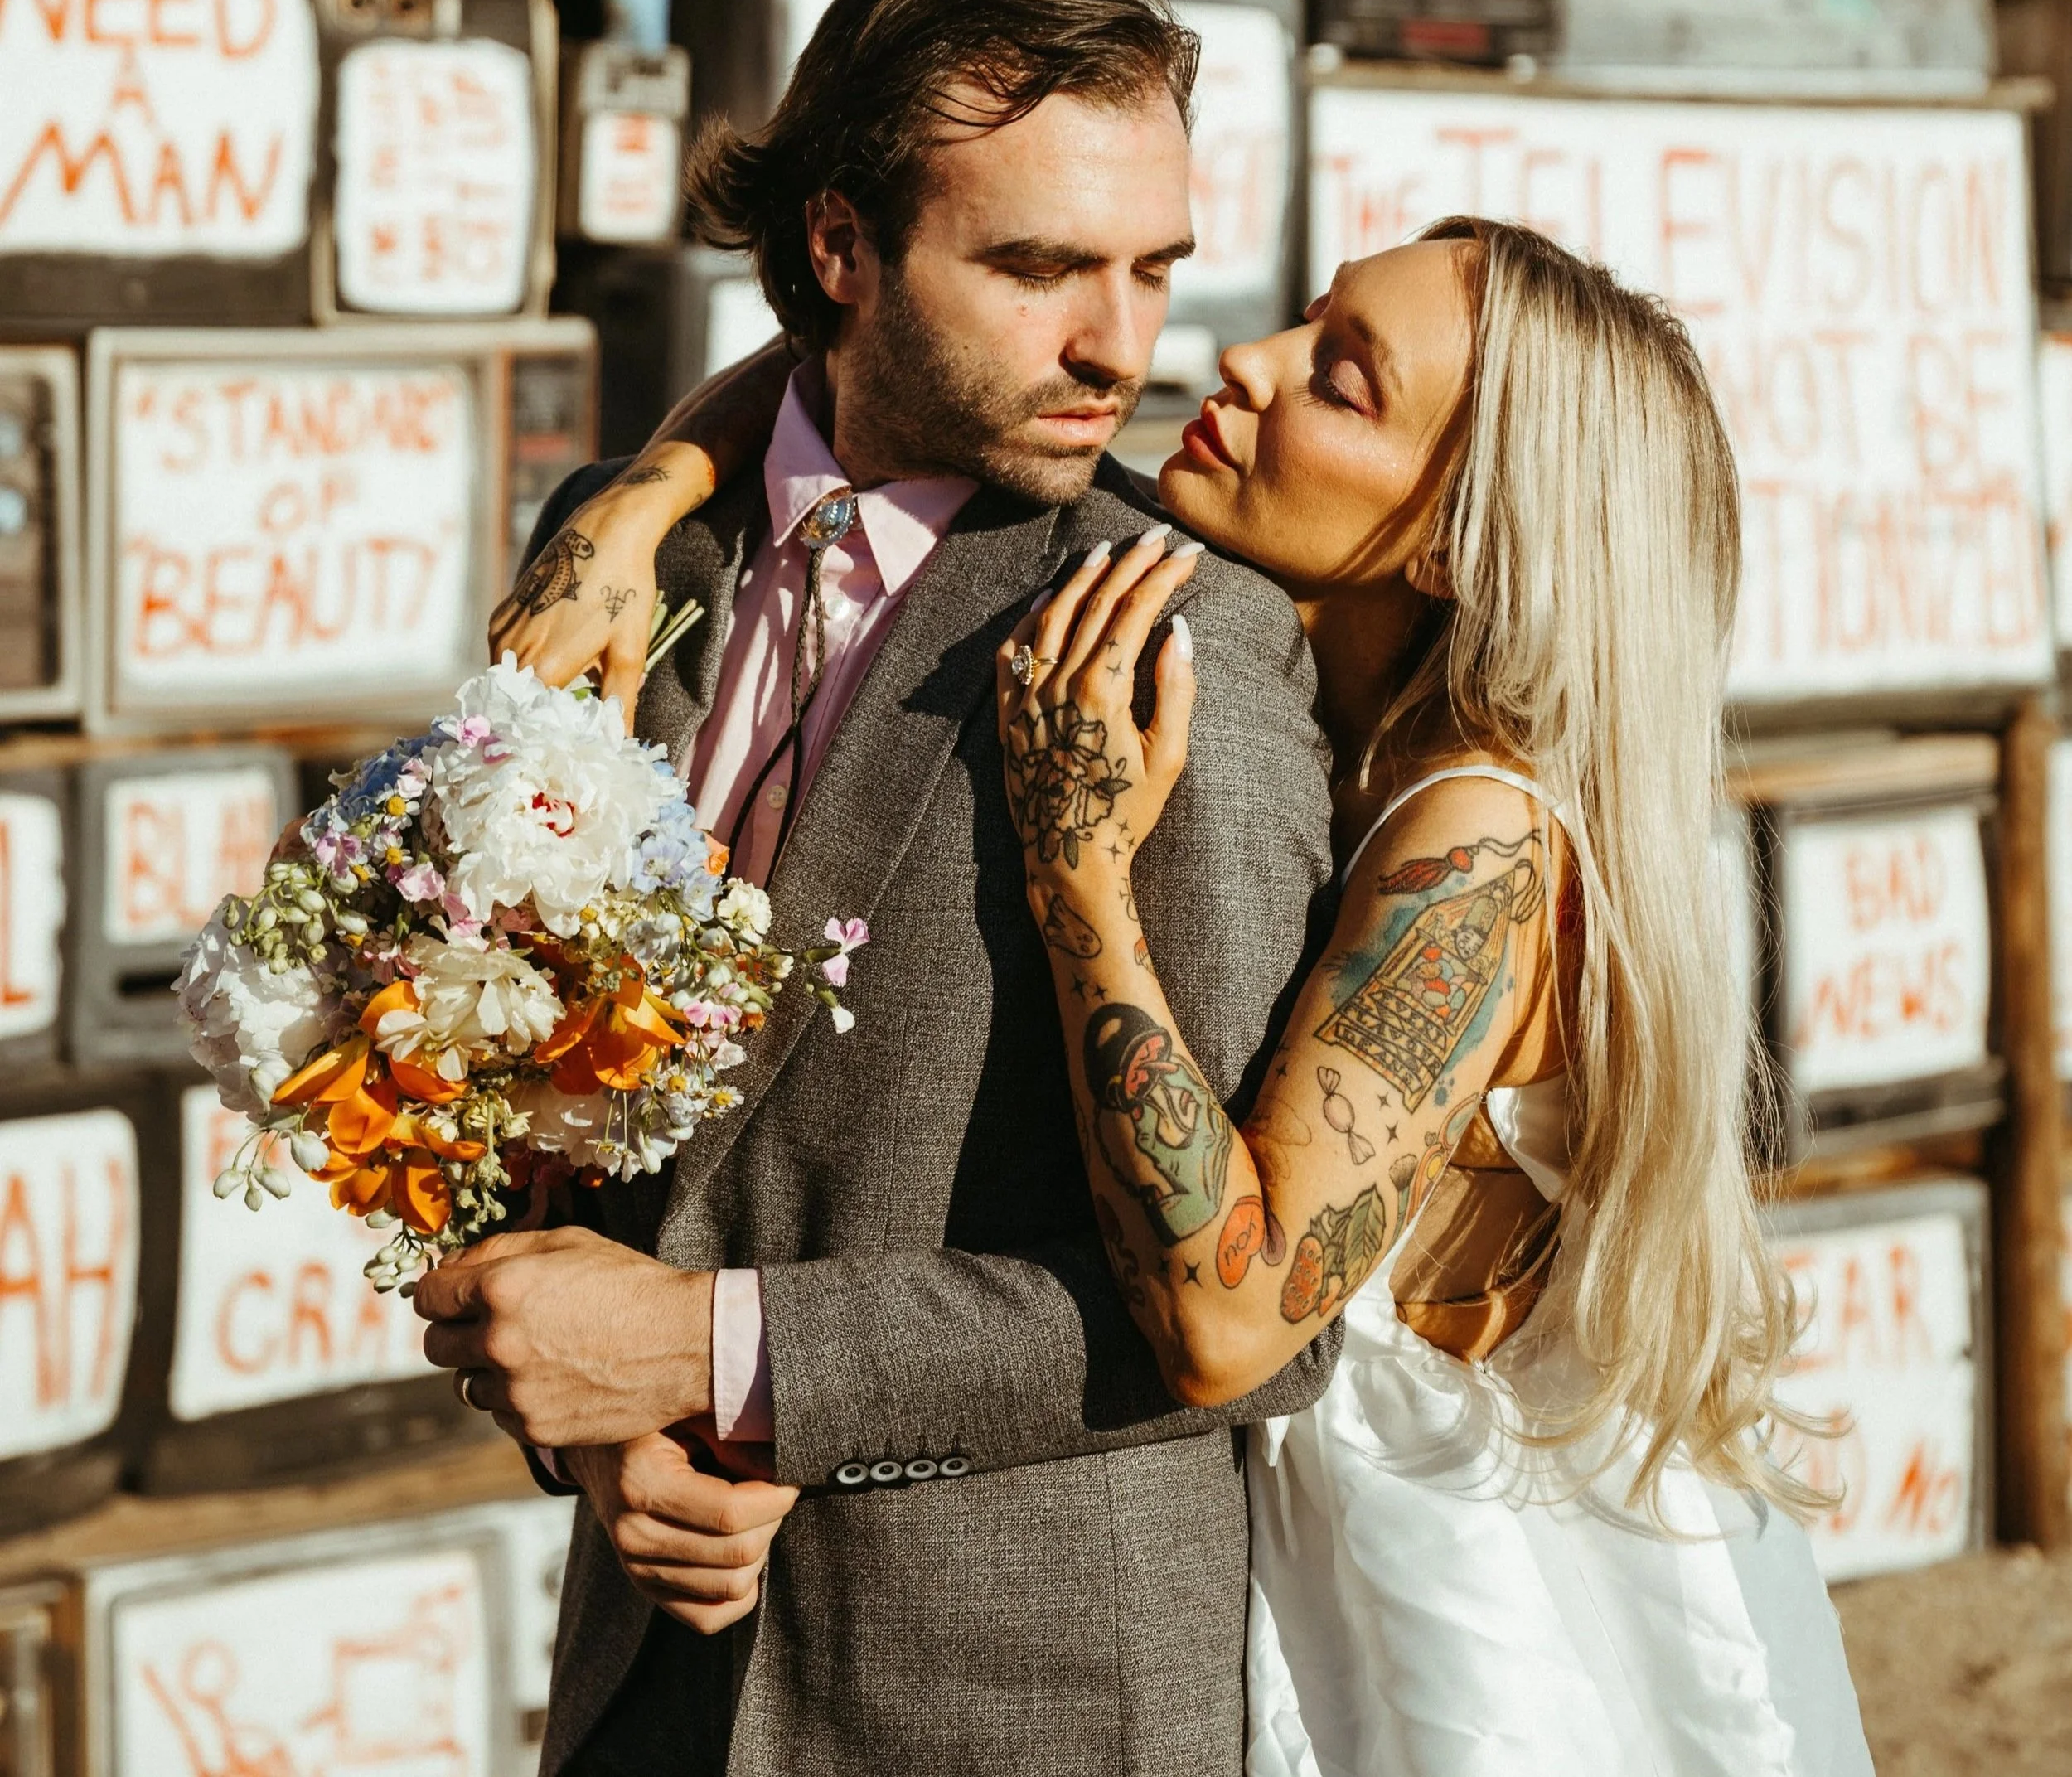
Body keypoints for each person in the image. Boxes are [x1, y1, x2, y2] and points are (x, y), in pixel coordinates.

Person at [565, 219, 1875, 1775]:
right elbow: (837, 368)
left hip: (1459, 1624)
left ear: (1459, 537)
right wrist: (650, 494)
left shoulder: (1480, 837)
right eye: (1307, 319)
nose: (1247, 363)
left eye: (1342, 381)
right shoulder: (1363, 740)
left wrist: (1080, 870)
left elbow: (1228, 1316)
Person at [419, 0, 1341, 1777]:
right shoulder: (615, 554)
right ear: (837, 245)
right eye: (1038, 268)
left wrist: (714, 1351)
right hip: (644, 1682)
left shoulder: (1181, 642)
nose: (1120, 346)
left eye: (1154, 267)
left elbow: (1267, 1317)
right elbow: (484, 1060)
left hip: (1024, 1705)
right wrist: (595, 1422)